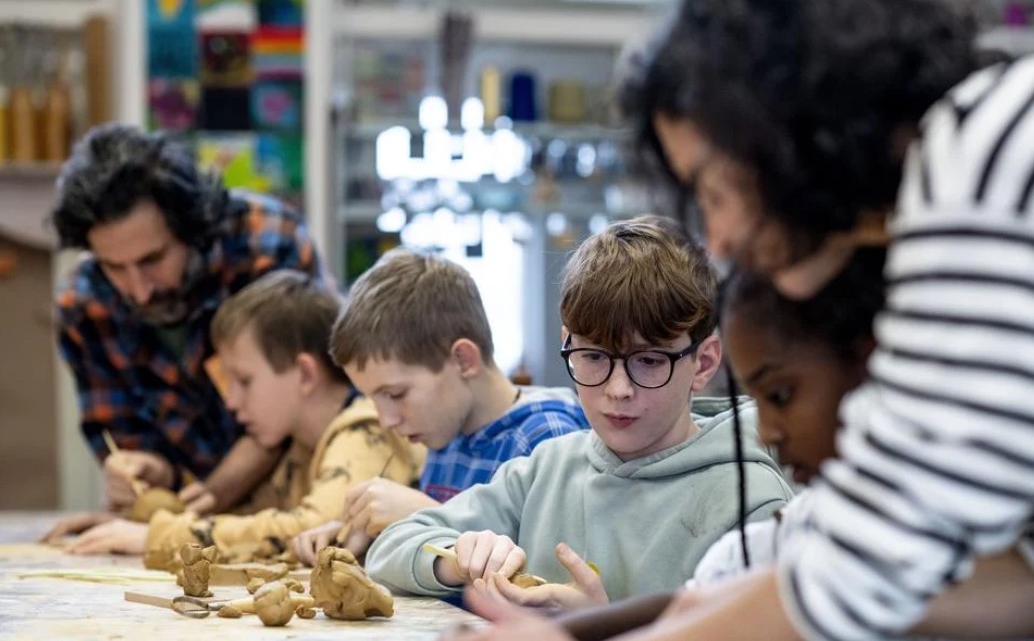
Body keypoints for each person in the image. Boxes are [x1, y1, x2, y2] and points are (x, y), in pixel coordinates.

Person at [574, 0, 1034, 638]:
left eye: (715, 190)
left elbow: (878, 565)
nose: (722, 238)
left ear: (780, 127)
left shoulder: (978, 159)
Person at [362, 217, 793, 610]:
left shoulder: (750, 501)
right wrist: (457, 559)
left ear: (703, 362)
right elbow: (392, 546)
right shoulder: (547, 469)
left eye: (649, 362)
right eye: (593, 357)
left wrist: (598, 626)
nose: (617, 390)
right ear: (568, 343)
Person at [51, 123, 329, 517]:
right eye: (114, 267)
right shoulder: (83, 302)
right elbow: (124, 435)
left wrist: (208, 501)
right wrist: (148, 472)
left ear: (191, 227)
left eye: (152, 260)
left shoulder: (268, 244)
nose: (139, 290)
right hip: (188, 512)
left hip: (298, 506)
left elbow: (309, 399)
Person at [59, 271, 424, 560]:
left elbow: (313, 529)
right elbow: (249, 519)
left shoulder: (363, 430)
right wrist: (139, 517)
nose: (231, 403)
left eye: (244, 381)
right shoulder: (300, 447)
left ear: (306, 374)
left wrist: (158, 536)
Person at [291, 247, 589, 563]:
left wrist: (424, 515)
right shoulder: (445, 433)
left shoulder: (547, 436)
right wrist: (367, 532)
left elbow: (555, 571)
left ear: (462, 360)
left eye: (394, 394)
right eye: (373, 399)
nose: (386, 420)